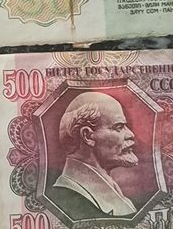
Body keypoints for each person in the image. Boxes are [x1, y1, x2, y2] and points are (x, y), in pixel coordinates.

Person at [52, 91, 139, 219]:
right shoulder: (69, 197)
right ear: (87, 136)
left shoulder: (107, 189)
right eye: (119, 127)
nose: (130, 134)